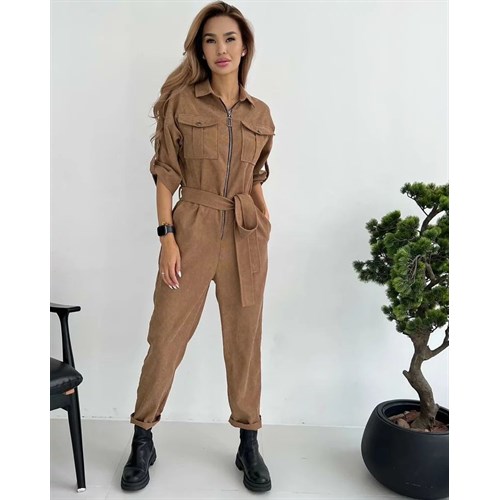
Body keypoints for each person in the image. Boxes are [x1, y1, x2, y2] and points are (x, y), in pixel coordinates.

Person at [120, 1, 276, 494]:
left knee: (245, 341)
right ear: (200, 50)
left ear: (244, 47)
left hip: (246, 234)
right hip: (192, 225)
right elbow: (166, 175)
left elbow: (256, 176)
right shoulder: (182, 103)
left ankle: (248, 441)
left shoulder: (260, 113)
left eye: (230, 38)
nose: (221, 48)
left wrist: (264, 222)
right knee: (166, 335)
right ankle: (142, 437)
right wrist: (167, 237)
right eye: (211, 40)